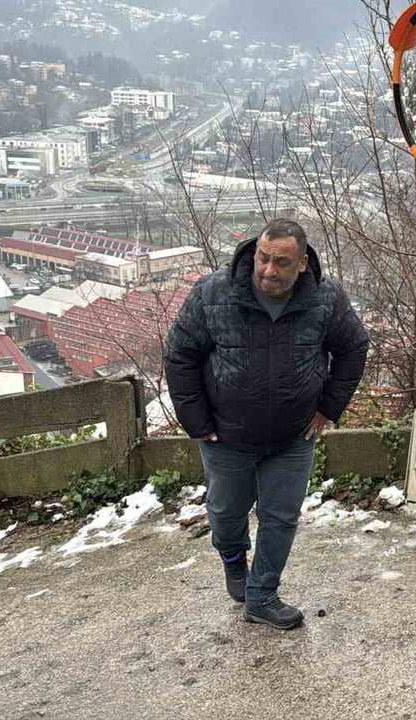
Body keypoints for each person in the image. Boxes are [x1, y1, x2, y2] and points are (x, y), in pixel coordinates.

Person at [164, 218, 369, 629]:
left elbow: (353, 348)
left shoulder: (325, 300)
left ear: (303, 265)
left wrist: (329, 408)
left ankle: (262, 595)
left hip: (292, 437)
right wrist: (196, 421)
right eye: (263, 258)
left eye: (281, 262)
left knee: (280, 518)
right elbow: (180, 355)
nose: (268, 270)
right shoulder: (213, 293)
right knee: (225, 513)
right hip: (226, 436)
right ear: (253, 252)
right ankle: (234, 558)